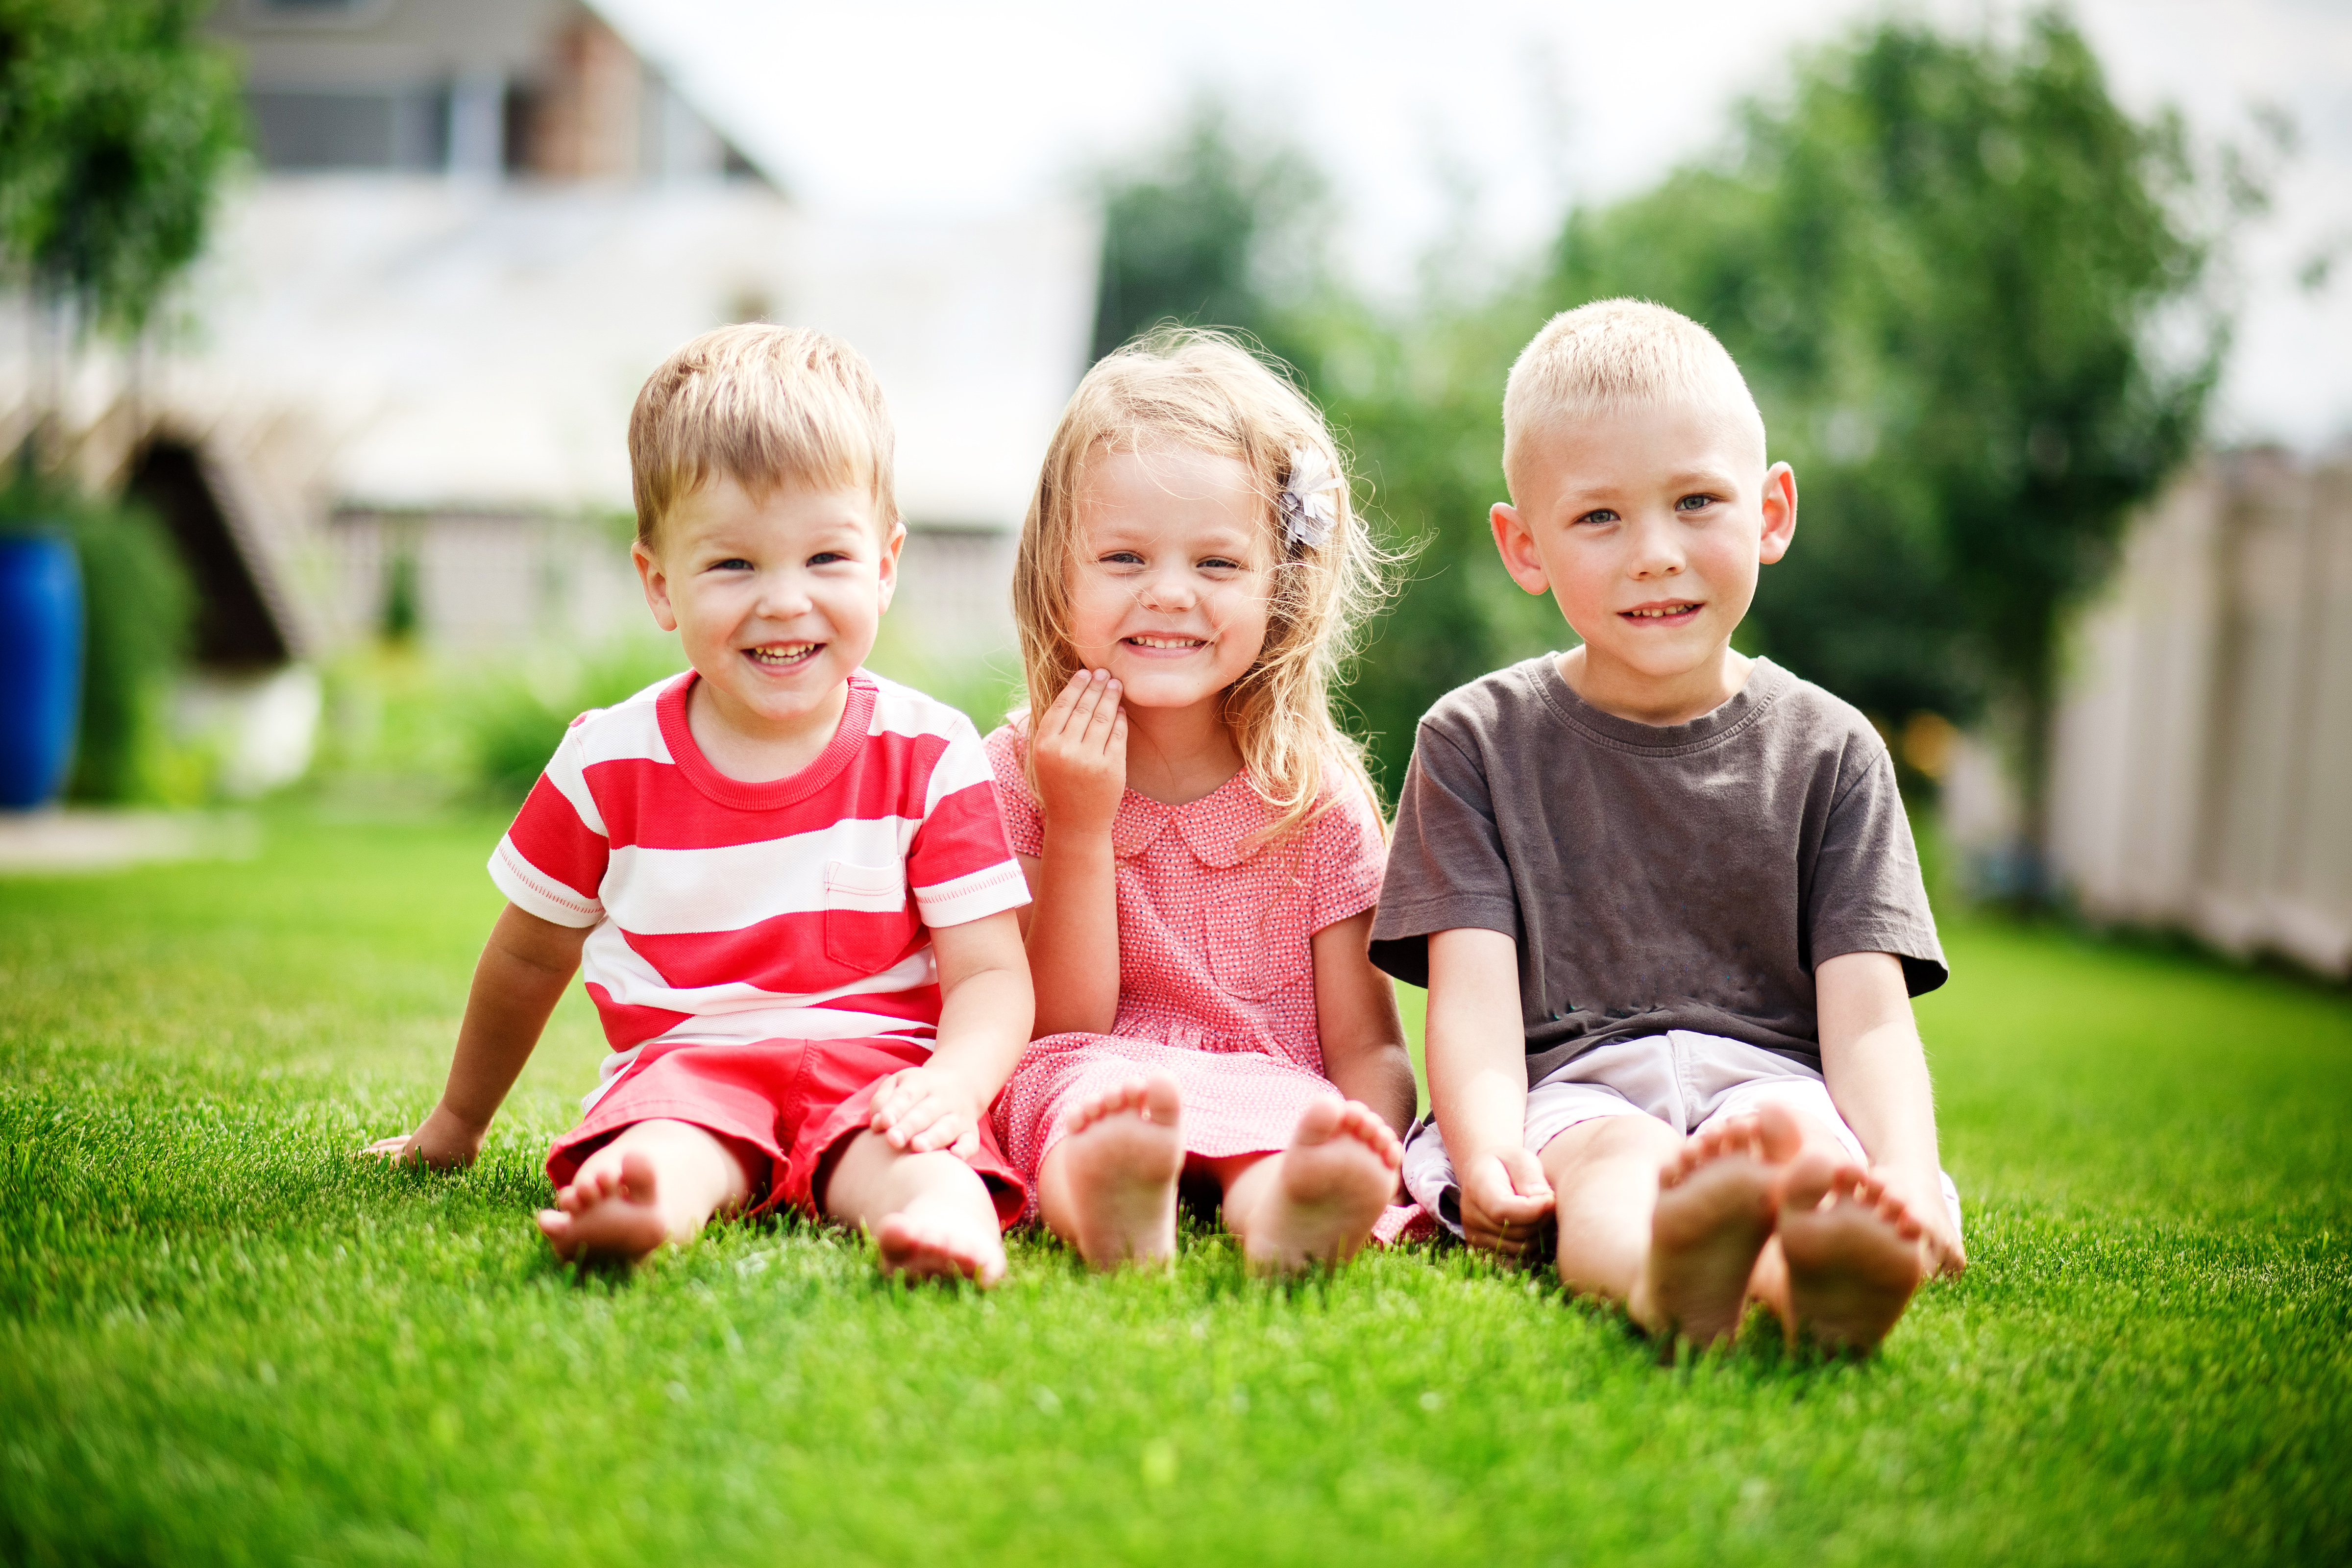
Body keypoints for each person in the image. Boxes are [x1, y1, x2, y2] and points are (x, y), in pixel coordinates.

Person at [363, 325, 1035, 1286]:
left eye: (826, 559)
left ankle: (944, 1224)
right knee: (670, 1136)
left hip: (880, 1072)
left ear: (885, 564)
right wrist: (454, 1125)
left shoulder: (930, 753)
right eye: (733, 566)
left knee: (918, 1162)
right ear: (659, 583)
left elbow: (991, 974)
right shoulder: (609, 762)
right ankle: (647, 1199)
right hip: (689, 1070)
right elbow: (527, 953)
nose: (784, 601)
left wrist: (952, 1085)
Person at [1371, 299, 1966, 1352]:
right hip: (1576, 1091)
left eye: (1697, 501)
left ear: (1772, 510)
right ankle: (1665, 1276)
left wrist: (1909, 1172)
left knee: (1795, 1152)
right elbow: (1471, 1000)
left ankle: (1812, 1280)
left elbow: (1869, 1021)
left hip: (1774, 1082)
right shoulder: (1473, 741)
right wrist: (1490, 1145)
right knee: (1611, 1172)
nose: (1655, 553)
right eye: (1599, 517)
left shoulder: (1833, 750)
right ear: (1525, 544)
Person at [986, 329, 1415, 1273]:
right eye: (1124, 558)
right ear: (1057, 572)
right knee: (1065, 1097)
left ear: (1281, 587)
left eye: (1217, 565)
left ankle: (1289, 1218)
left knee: (1293, 1120)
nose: (1170, 595)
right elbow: (1061, 1025)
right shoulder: (1019, 771)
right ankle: (1110, 1203)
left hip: (1271, 1084)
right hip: (1093, 1073)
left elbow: (1367, 1047)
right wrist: (1080, 823)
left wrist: (1365, 1150)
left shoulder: (1313, 797)